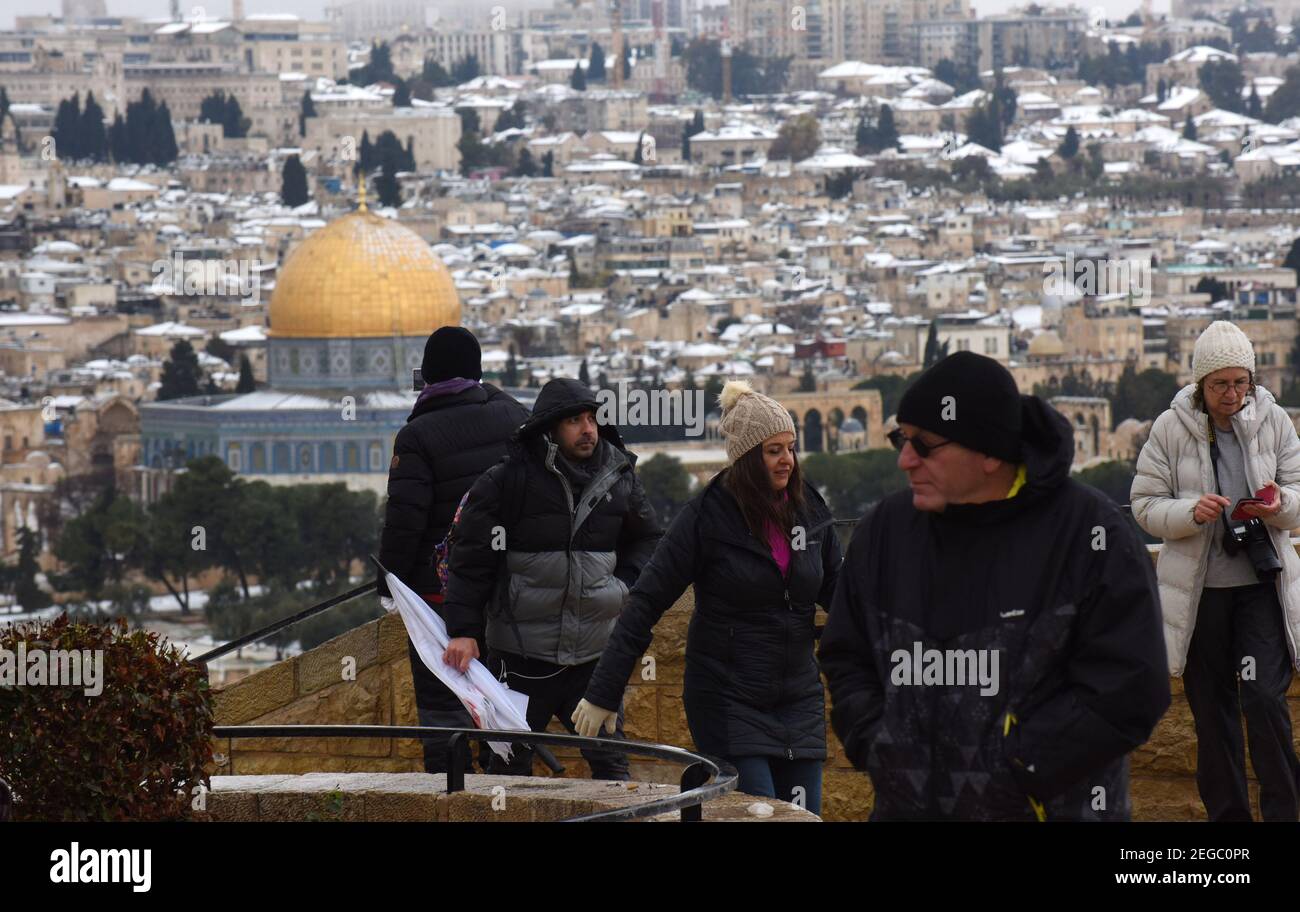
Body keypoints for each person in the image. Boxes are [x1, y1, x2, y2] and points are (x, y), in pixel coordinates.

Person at [819, 351, 1170, 821]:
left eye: (924, 445)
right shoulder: (885, 531)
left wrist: (1018, 767)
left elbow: (1130, 687)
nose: (905, 460)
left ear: (987, 452)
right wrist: (882, 746)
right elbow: (846, 654)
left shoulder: (1088, 534)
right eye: (900, 439)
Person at [573, 381, 842, 814]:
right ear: (748, 456)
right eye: (774, 450)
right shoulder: (707, 516)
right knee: (758, 814)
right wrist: (604, 691)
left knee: (803, 815)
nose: (787, 461)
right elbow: (646, 601)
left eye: (790, 448)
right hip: (728, 698)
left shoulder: (809, 509)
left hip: (798, 701)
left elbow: (841, 596)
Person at [441, 377, 661, 780]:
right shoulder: (508, 481)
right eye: (575, 420)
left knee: (612, 765)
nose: (588, 429)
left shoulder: (618, 477)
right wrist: (463, 630)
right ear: (550, 429)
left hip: (593, 657)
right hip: (521, 658)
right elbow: (470, 559)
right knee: (507, 769)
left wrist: (622, 586)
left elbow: (648, 539)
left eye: (592, 418)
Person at [1131, 320, 1300, 822]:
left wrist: (1277, 504)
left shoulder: (1274, 422)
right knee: (1213, 716)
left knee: (1266, 702)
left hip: (1259, 587)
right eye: (1220, 384)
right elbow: (1143, 504)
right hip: (1201, 595)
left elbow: (1298, 494)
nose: (1231, 394)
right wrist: (1190, 512)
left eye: (1239, 382)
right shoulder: (1169, 428)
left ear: (1252, 379)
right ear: (1201, 385)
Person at [377, 326, 529, 774]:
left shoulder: (417, 436)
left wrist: (387, 587)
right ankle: (510, 798)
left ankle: (450, 797)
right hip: (509, 596)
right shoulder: (514, 417)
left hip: (439, 600)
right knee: (505, 706)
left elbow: (405, 523)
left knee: (444, 709)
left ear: (428, 378)